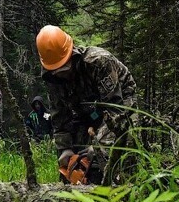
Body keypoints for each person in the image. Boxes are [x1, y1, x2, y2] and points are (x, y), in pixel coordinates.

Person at [36, 25, 137, 184]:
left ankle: (122, 184)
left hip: (120, 102)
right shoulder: (52, 77)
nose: (62, 73)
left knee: (120, 147)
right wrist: (65, 149)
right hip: (87, 109)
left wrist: (98, 146)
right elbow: (59, 115)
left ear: (72, 54)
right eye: (57, 71)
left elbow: (115, 109)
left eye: (65, 68)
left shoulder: (98, 62)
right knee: (77, 155)